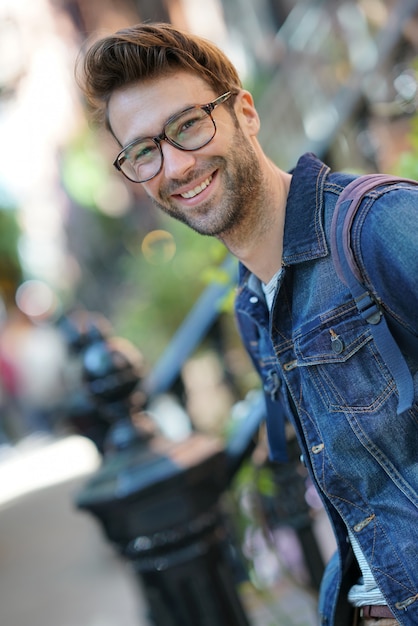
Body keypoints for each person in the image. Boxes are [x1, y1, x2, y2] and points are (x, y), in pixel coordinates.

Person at [77, 22, 418, 626]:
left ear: (246, 114)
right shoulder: (253, 303)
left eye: (187, 125)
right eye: (144, 151)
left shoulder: (377, 226)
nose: (175, 165)